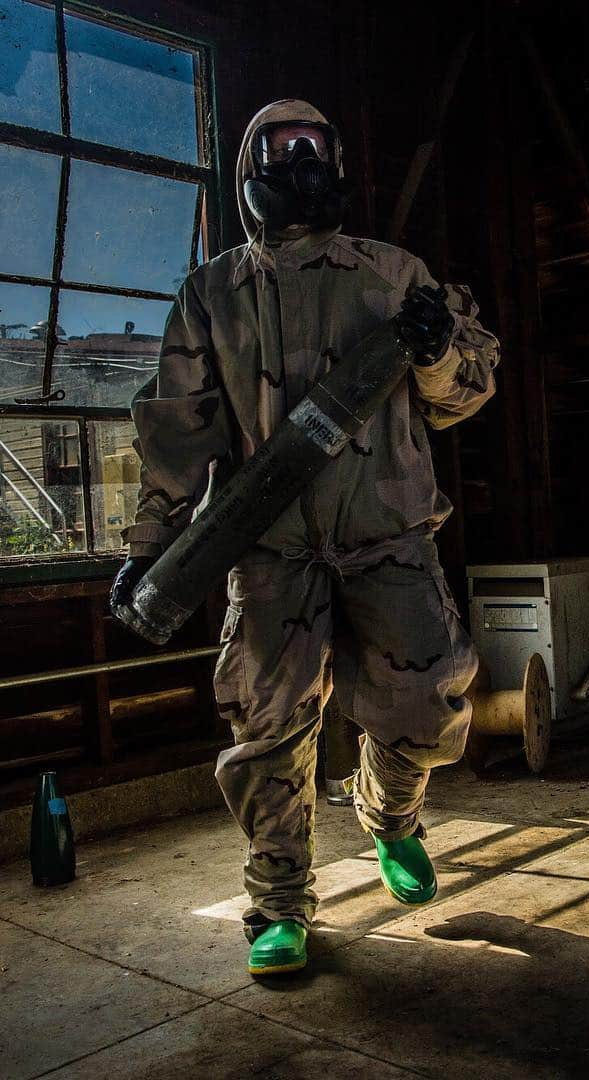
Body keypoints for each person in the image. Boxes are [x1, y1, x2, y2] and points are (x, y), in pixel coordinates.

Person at [110, 100, 498, 976]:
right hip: (270, 552)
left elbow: (465, 392)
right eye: (280, 148)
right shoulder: (210, 293)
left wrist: (438, 354)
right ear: (249, 169)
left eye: (315, 145)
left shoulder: (396, 275)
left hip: (390, 539)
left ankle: (389, 814)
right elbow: (179, 431)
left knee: (431, 700)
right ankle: (279, 904)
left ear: (338, 163)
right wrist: (147, 547)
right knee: (267, 730)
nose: (300, 159)